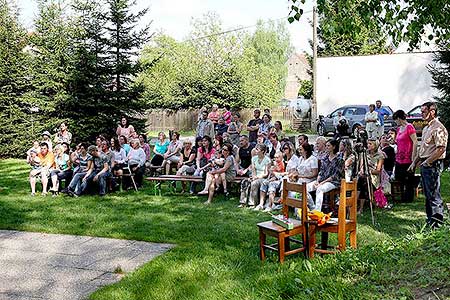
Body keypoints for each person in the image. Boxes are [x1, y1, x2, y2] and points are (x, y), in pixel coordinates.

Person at [410, 102, 448, 228]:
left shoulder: (438, 128)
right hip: (426, 163)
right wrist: (415, 162)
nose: (421, 114)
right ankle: (430, 220)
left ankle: (437, 224)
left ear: (432, 112)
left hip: (433, 164)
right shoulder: (427, 127)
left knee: (434, 194)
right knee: (428, 194)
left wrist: (428, 162)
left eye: (424, 111)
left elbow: (441, 149)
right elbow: (423, 149)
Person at [306, 139, 343, 212]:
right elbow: (321, 171)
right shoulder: (325, 158)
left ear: (334, 147)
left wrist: (321, 183)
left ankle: (317, 211)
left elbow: (334, 176)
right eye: (326, 145)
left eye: (328, 146)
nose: (326, 147)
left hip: (334, 182)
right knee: (305, 188)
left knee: (320, 189)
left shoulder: (339, 160)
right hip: (322, 180)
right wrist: (317, 181)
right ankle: (313, 207)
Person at [392, 109, 418, 202]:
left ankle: (408, 198)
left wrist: (413, 157)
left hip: (408, 157)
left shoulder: (409, 127)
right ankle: (402, 197)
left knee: (408, 179)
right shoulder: (399, 129)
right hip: (399, 157)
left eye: (395, 119)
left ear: (399, 118)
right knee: (400, 178)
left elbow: (415, 142)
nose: (395, 122)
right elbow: (397, 141)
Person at [239, 143, 270, 208]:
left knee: (254, 183)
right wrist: (253, 176)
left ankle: (252, 203)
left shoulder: (267, 160)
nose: (255, 151)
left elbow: (266, 173)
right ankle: (243, 202)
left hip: (263, 177)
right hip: (255, 176)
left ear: (262, 151)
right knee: (244, 182)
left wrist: (257, 177)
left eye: (257, 149)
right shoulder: (254, 158)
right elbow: (253, 170)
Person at [358, 139, 385, 213]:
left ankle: (359, 208)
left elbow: (378, 171)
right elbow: (361, 166)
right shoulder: (364, 154)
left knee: (363, 183)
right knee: (361, 181)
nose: (368, 145)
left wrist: (369, 172)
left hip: (373, 178)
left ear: (375, 145)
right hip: (364, 177)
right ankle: (358, 206)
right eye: (368, 144)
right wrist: (362, 171)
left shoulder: (380, 156)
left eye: (370, 144)